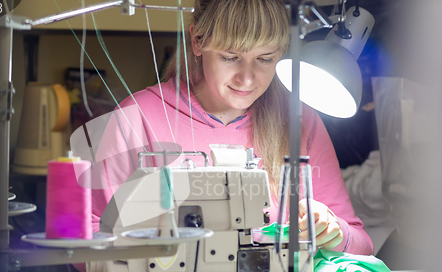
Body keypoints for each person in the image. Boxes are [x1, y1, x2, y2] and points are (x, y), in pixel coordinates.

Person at [86, 0, 373, 258]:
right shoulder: (136, 119)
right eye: (230, 56)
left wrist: (333, 232)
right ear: (197, 41)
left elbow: (361, 244)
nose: (247, 78)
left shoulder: (299, 120)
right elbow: (83, 246)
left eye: (265, 59)